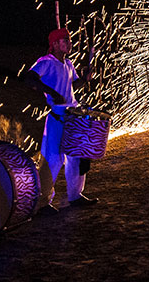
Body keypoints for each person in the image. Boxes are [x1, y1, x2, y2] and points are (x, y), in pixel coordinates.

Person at [27, 27, 99, 212]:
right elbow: (29, 78)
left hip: (72, 116)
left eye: (69, 39)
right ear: (55, 44)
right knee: (52, 159)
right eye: (65, 40)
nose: (70, 43)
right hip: (57, 116)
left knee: (76, 156)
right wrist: (52, 93)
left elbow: (73, 85)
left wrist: (84, 78)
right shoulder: (46, 62)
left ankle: (75, 196)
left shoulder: (68, 63)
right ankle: (44, 202)